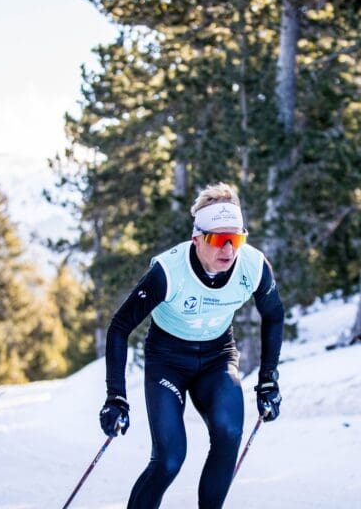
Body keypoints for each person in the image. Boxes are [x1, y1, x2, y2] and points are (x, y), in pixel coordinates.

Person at [99, 182, 284, 509]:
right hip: (167, 362)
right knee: (169, 460)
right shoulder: (168, 272)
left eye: (236, 239)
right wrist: (116, 396)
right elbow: (119, 328)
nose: (228, 250)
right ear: (197, 238)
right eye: (217, 239)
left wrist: (268, 378)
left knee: (228, 434)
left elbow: (274, 315)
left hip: (217, 359)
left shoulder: (253, 267)